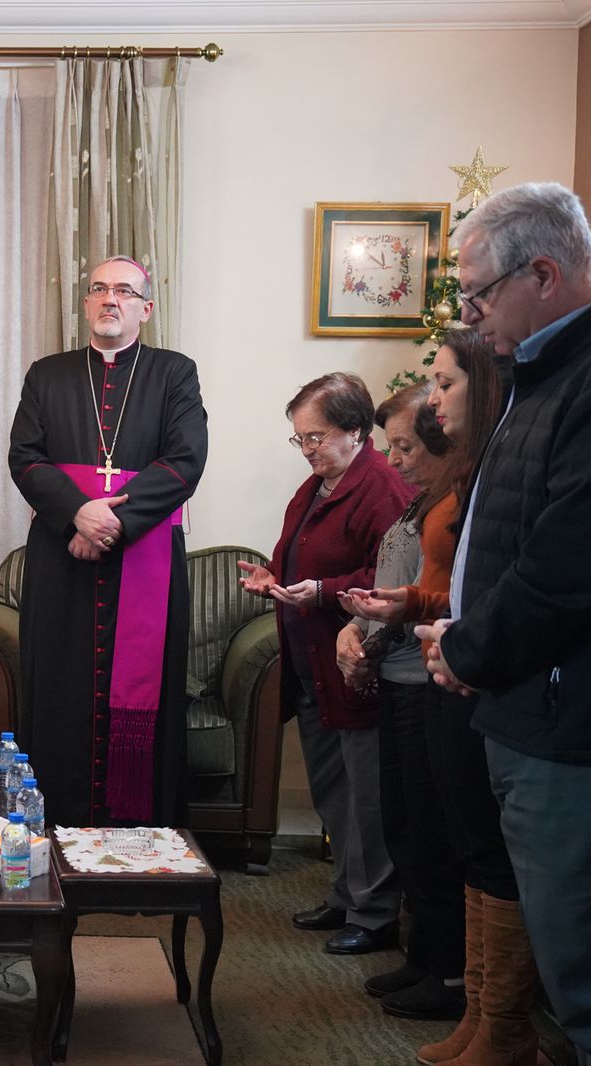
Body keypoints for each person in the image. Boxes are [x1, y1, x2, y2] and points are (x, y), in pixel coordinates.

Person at [418, 182, 591, 1064]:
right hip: (542, 715)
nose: (473, 314)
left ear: (542, 273)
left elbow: (569, 572)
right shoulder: (553, 371)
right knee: (585, 987)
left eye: (478, 294)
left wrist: (470, 648)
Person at [343, 331, 537, 1062]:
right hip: (436, 665)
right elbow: (444, 586)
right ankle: (475, 1009)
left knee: (464, 844)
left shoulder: (475, 481)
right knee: (432, 832)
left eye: (447, 384)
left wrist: (408, 613)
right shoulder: (458, 481)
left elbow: (480, 589)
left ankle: (480, 1005)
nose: (437, 398)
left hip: (458, 673)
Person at [8, 256, 208, 830]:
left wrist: (110, 524)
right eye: (99, 290)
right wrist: (77, 514)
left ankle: (139, 835)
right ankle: (56, 833)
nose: (109, 299)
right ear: (86, 303)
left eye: (124, 291)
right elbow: (25, 459)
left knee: (147, 702)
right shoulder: (47, 374)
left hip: (144, 558)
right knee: (58, 694)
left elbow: (186, 459)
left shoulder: (175, 373)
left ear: (145, 308)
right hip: (60, 557)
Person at [237, 372, 414, 955]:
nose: (308, 449)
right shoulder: (317, 485)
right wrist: (275, 580)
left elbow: (392, 579)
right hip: (313, 664)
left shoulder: (382, 488)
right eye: (300, 439)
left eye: (316, 437)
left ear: (357, 431)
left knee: (367, 796)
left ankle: (375, 913)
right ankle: (345, 897)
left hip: (356, 665)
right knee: (333, 790)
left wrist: (320, 591)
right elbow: (300, 561)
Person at [335, 383, 465, 1021]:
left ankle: (449, 973)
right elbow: (401, 583)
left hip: (428, 682)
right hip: (398, 677)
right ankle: (424, 957)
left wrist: (388, 613)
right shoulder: (421, 501)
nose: (398, 459)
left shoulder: (455, 504)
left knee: (433, 832)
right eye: (393, 446)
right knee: (406, 827)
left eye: (407, 445)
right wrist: (364, 617)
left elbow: (443, 595)